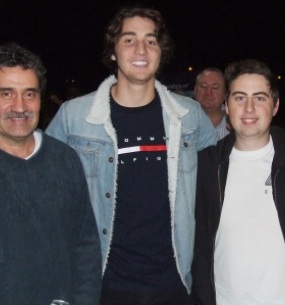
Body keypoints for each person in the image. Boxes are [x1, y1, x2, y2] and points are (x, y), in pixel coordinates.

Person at [46, 5, 217, 305]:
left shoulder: (190, 117)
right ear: (113, 51)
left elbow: (218, 183)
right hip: (102, 286)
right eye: (129, 39)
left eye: (151, 40)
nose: (141, 48)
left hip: (175, 284)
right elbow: (45, 192)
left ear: (161, 52)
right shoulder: (74, 118)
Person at [0, 42, 101, 305]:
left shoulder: (65, 160)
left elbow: (84, 247)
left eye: (30, 94)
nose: (20, 106)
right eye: (6, 94)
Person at [192, 59, 285, 305]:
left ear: (276, 106)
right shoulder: (205, 166)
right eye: (240, 98)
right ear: (227, 105)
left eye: (259, 98)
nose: (249, 108)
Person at [194, 67, 230, 139]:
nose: (208, 92)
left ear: (225, 94)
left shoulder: (236, 124)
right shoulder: (181, 123)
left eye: (215, 88)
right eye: (203, 86)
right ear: (195, 90)